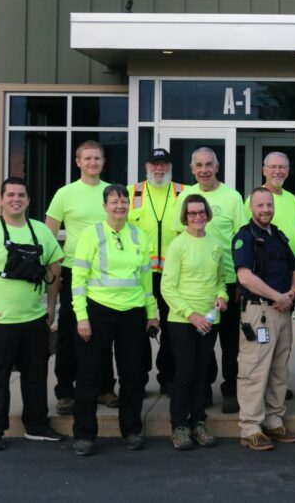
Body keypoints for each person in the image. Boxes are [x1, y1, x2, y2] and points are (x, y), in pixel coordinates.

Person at [0, 177, 65, 452]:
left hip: (33, 319)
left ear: (28, 200)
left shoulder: (41, 231)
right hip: (0, 321)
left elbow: (55, 269)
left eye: (21, 195)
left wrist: (51, 307)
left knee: (35, 375)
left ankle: (37, 426)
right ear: (1, 199)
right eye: (10, 195)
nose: (16, 199)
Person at [70, 184, 159, 456]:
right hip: (98, 311)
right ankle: (84, 434)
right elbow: (78, 278)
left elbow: (145, 278)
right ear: (105, 206)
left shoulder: (139, 234)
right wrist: (81, 317)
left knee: (132, 375)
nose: (119, 206)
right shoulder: (91, 234)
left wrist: (151, 312)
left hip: (132, 312)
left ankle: (131, 430)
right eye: (114, 201)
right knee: (89, 375)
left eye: (123, 201)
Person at [44, 140, 116, 415]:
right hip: (75, 270)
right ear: (78, 162)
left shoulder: (110, 192)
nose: (92, 163)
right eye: (87, 158)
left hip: (105, 273)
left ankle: (105, 388)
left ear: (103, 161)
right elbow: (50, 237)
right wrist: (55, 272)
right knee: (69, 332)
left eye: (97, 158)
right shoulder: (65, 194)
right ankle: (65, 391)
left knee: (104, 332)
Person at [174, 147, 246, 414]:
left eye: (209, 165)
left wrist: (240, 279)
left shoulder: (232, 197)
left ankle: (230, 390)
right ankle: (203, 389)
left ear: (217, 167)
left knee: (229, 342)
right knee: (202, 341)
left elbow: (241, 239)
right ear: (192, 169)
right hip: (196, 285)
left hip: (226, 282)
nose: (204, 169)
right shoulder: (185, 196)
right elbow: (177, 237)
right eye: (199, 165)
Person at [233, 187, 295, 451]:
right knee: (254, 370)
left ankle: (274, 421)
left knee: (278, 369)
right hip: (259, 312)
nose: (266, 210)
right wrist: (279, 296)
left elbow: (294, 267)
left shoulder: (278, 237)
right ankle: (250, 427)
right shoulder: (245, 237)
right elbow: (245, 277)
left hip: (282, 310)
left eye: (269, 205)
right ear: (251, 207)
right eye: (260, 206)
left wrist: (292, 292)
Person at [161, 194, 228, 451]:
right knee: (185, 372)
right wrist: (191, 314)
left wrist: (222, 297)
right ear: (185, 217)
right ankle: (179, 426)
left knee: (202, 373)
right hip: (183, 319)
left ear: (208, 214)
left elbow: (221, 279)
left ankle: (199, 422)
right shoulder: (178, 245)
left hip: (209, 319)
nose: (197, 217)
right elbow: (167, 287)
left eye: (201, 212)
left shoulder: (215, 243)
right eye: (192, 214)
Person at [127, 147, 185, 395]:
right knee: (138, 332)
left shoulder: (184, 192)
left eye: (163, 164)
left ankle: (168, 378)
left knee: (172, 331)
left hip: (174, 275)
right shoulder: (131, 193)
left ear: (170, 167)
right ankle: (138, 380)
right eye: (154, 164)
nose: (158, 169)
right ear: (146, 167)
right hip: (142, 275)